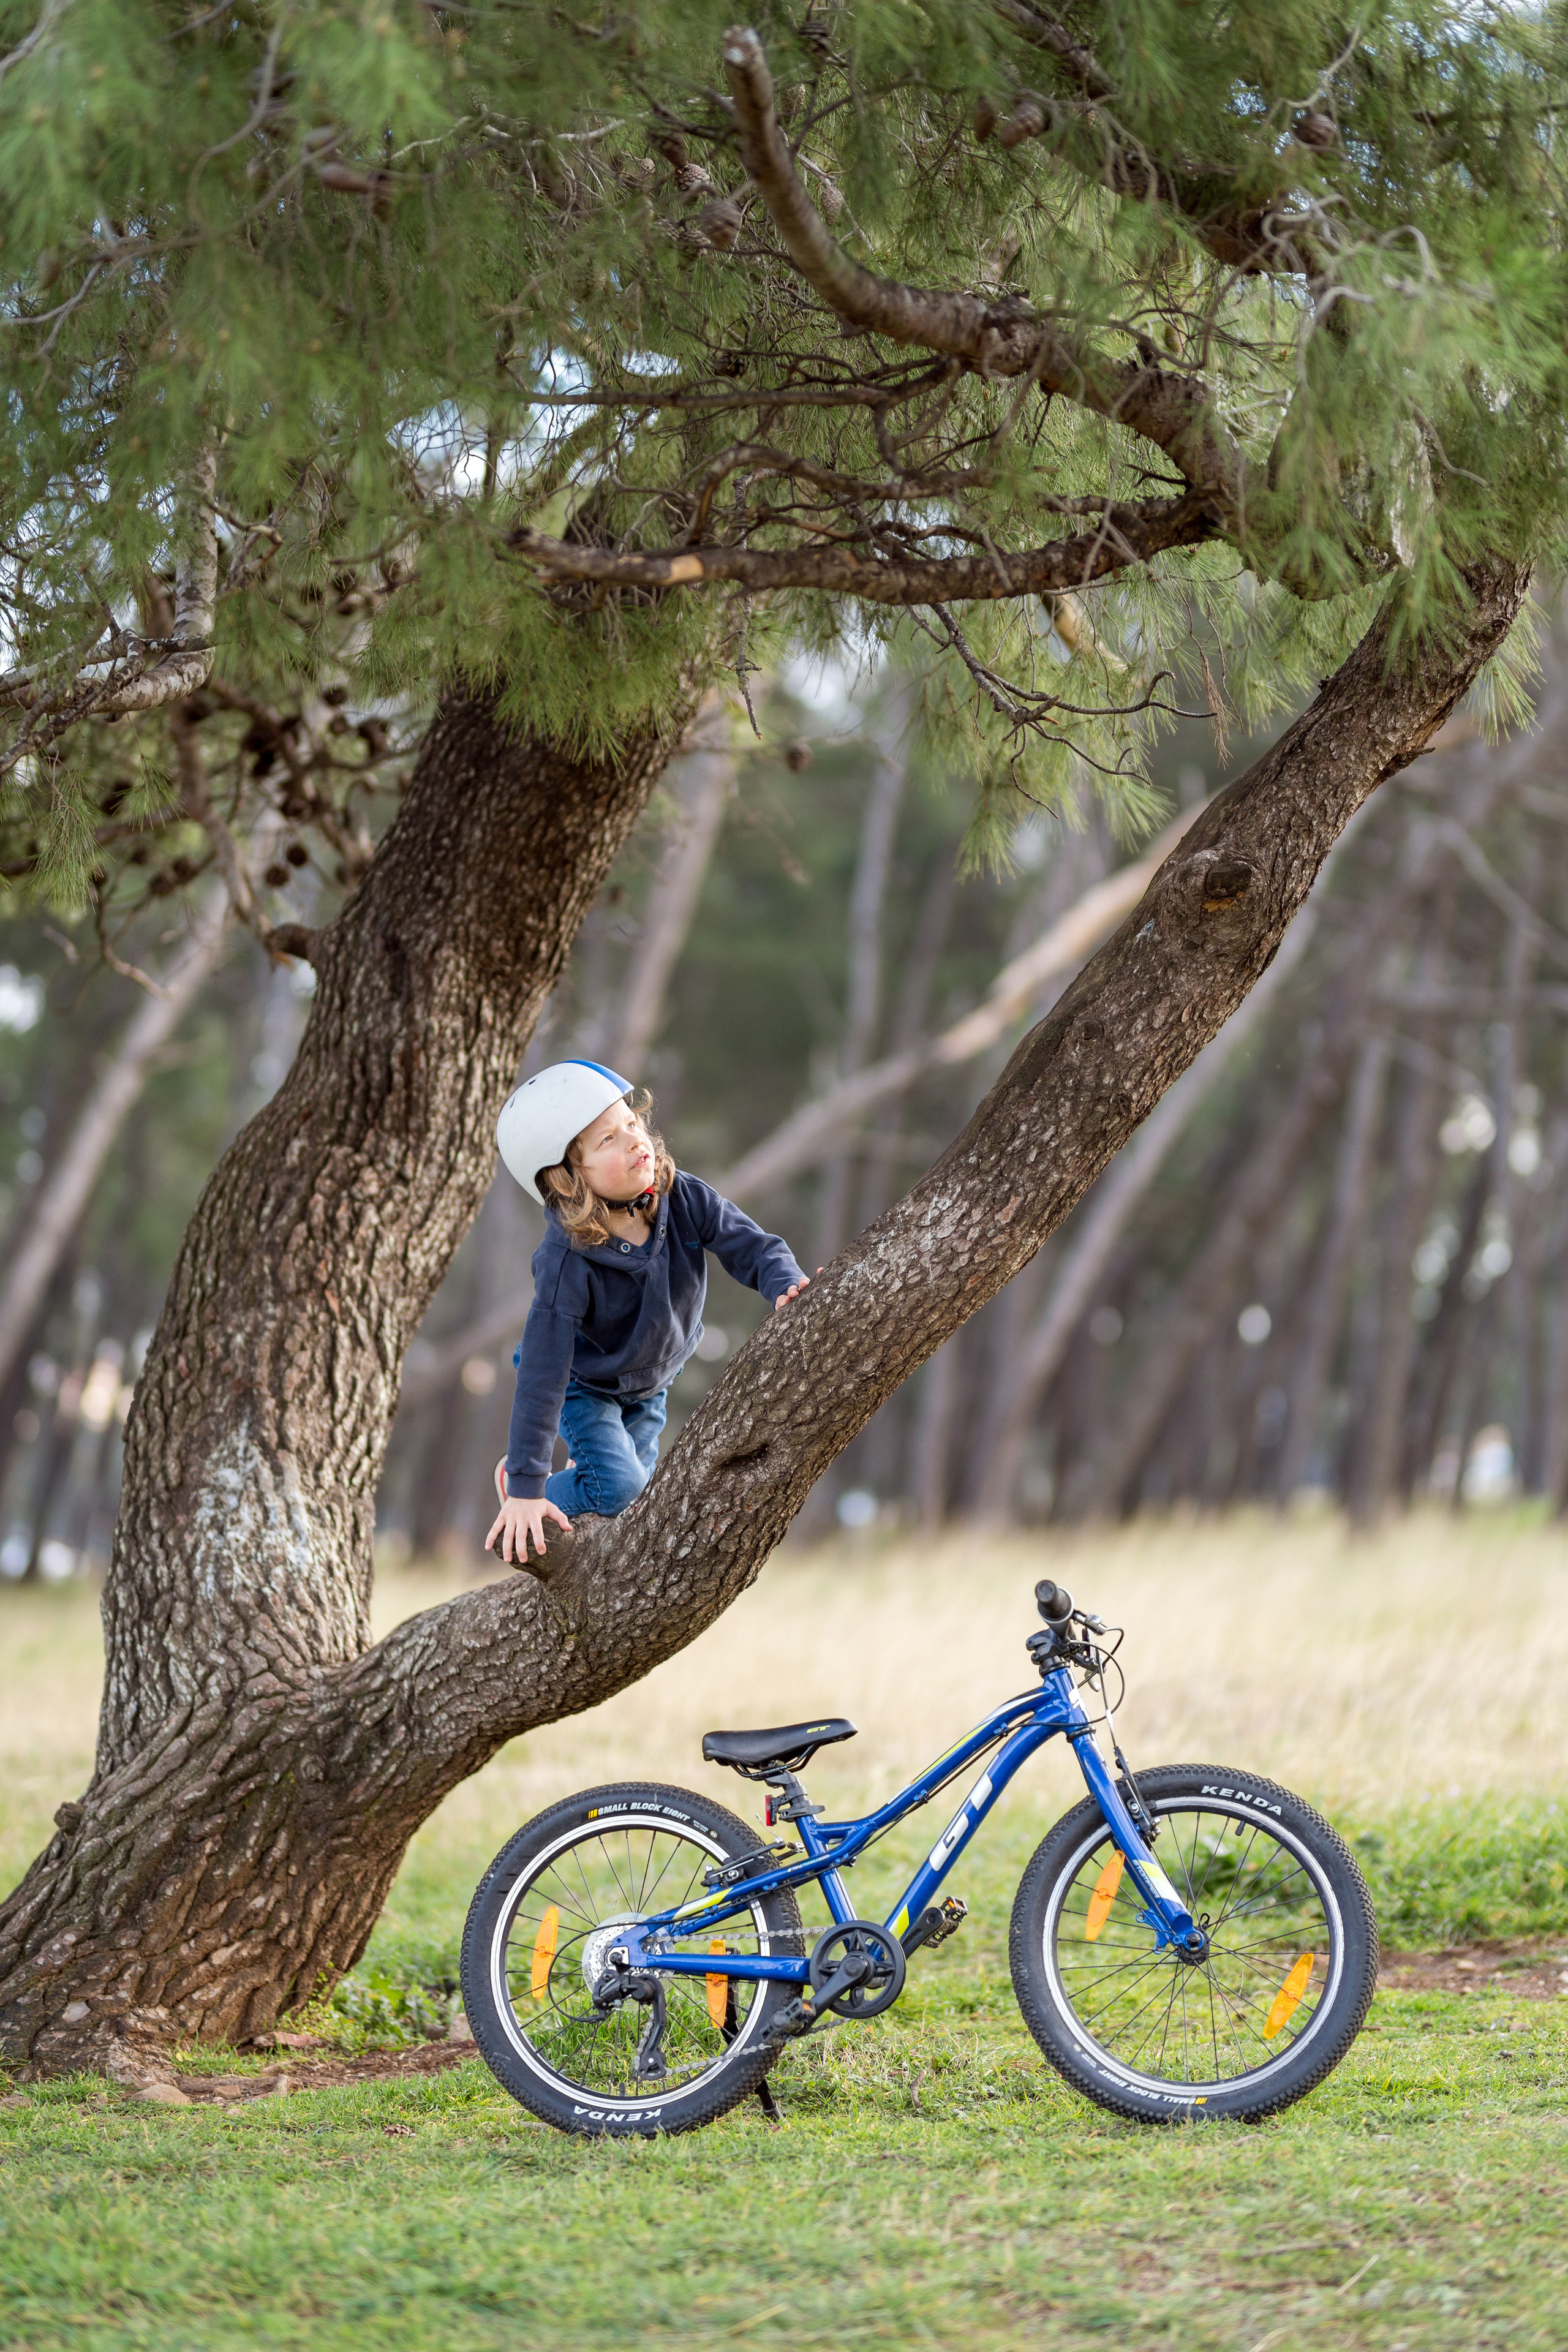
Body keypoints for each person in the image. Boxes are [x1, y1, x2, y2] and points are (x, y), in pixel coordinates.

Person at [486, 1059, 815, 1573]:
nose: (635, 1140)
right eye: (608, 1142)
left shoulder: (683, 1197)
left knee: (639, 1507)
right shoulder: (566, 1260)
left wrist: (784, 1284)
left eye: (632, 1125)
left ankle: (587, 1489)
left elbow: (753, 1246)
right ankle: (527, 1492)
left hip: (649, 1381)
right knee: (620, 1491)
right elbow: (542, 1372)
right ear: (569, 1179)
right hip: (584, 1383)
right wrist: (529, 1484)